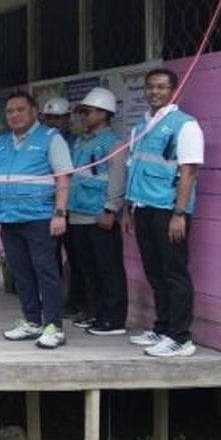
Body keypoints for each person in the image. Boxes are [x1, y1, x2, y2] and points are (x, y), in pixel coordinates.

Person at [0, 91, 73, 349]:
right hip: (9, 219)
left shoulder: (51, 139)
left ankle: (53, 326)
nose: (14, 115)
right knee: (21, 272)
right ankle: (32, 321)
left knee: (46, 271)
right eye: (10, 111)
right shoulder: (1, 143)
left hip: (41, 218)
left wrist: (60, 213)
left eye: (20, 109)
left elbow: (64, 177)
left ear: (34, 112)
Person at [124, 68, 204, 358]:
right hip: (143, 207)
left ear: (173, 90)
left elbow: (189, 171)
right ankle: (162, 327)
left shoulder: (185, 125)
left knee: (174, 274)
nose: (154, 92)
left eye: (161, 87)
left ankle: (180, 338)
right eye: (150, 86)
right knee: (155, 272)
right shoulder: (142, 125)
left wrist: (179, 213)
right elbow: (135, 167)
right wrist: (130, 209)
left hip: (169, 211)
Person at [67, 87, 128, 336]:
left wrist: (111, 209)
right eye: (83, 112)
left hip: (100, 215)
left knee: (108, 268)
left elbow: (117, 177)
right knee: (88, 268)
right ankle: (96, 312)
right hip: (78, 213)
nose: (84, 117)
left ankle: (113, 319)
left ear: (104, 113)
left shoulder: (113, 143)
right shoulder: (82, 141)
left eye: (88, 112)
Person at [42, 96, 87, 321]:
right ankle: (56, 301)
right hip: (46, 209)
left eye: (57, 118)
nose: (53, 122)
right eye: (49, 118)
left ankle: (76, 301)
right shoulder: (42, 141)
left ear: (67, 119)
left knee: (77, 257)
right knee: (50, 258)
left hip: (72, 207)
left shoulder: (77, 142)